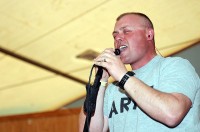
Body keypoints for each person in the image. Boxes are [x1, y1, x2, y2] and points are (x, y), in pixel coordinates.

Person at [79, 12, 200, 132]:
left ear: (149, 34)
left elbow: (172, 114)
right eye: (115, 35)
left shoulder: (175, 66)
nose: (118, 38)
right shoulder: (111, 89)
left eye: (126, 31)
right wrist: (100, 82)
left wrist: (123, 76)